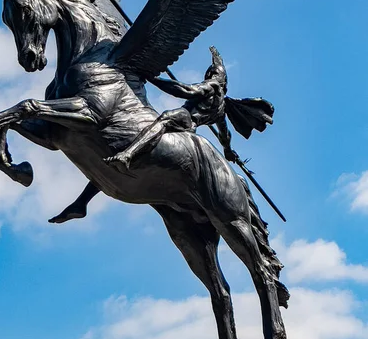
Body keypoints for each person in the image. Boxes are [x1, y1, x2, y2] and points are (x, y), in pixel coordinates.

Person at [49, 47, 274, 223]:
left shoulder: (210, 88)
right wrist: (228, 152)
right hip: (190, 132)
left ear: (218, 79)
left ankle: (128, 155)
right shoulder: (221, 108)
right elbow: (225, 137)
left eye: (211, 73)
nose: (209, 75)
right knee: (107, 166)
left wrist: (152, 77)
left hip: (184, 120)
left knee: (164, 118)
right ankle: (81, 203)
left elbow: (183, 90)